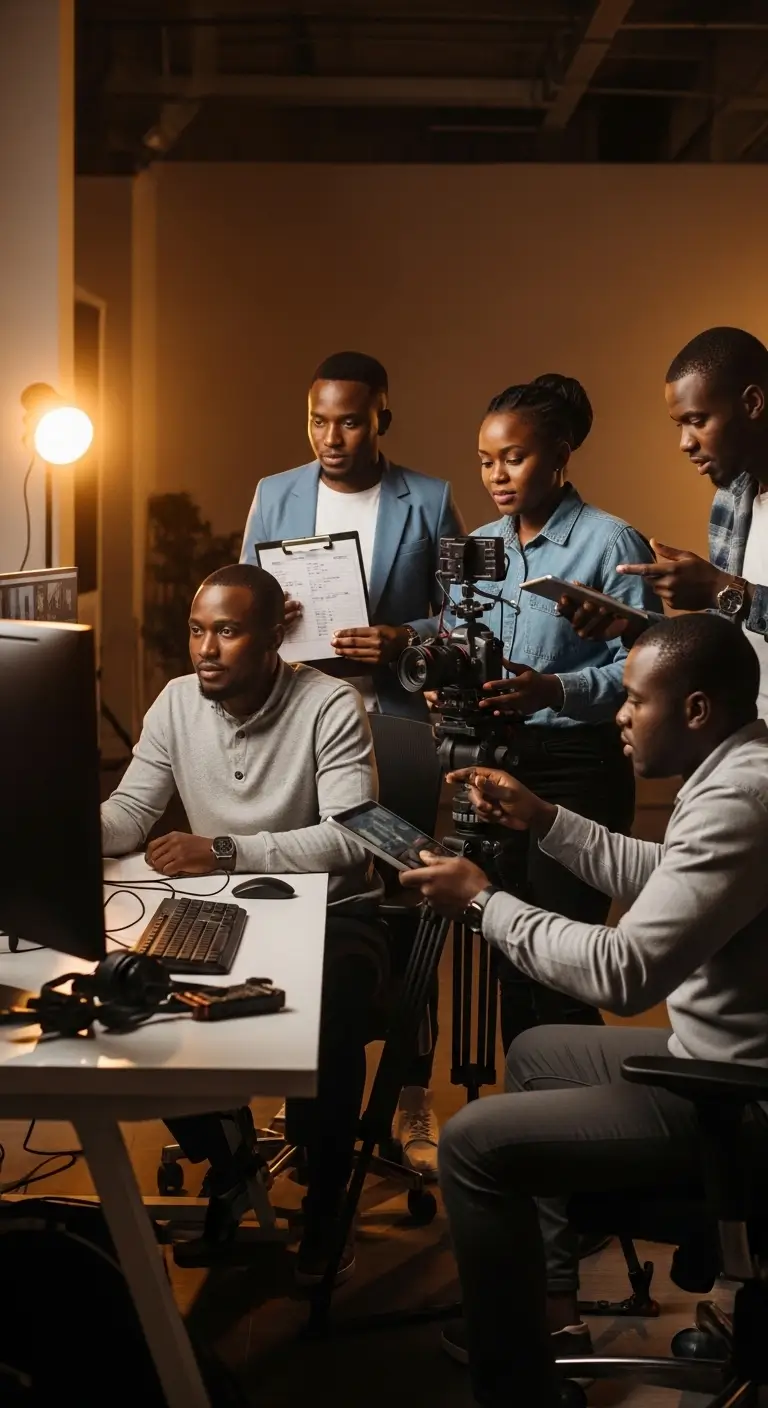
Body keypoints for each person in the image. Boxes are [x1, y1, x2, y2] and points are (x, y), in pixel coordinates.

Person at [400, 613, 768, 1408]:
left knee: (469, 1142)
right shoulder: (741, 767)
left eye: (635, 700)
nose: (620, 716)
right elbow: (669, 873)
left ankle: (515, 1388)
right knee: (540, 1052)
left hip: (743, 1096)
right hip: (717, 1059)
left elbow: (623, 972)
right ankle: (552, 1317)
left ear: (696, 709)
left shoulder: (743, 798)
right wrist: (545, 819)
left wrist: (485, 904)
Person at [101, 563, 387, 1283]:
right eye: (197, 630)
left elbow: (353, 840)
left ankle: (326, 1202)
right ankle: (230, 1161)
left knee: (326, 1011)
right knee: (130, 993)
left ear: (272, 638)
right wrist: (50, 823)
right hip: (224, 910)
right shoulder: (176, 703)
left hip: (335, 912)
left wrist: (224, 850)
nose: (206, 649)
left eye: (227, 632)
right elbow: (129, 813)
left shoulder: (330, 704)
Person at [241, 350, 463, 1175]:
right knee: (300, 902)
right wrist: (269, 613)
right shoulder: (275, 493)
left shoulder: (428, 499)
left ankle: (411, 1098)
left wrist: (405, 638)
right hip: (295, 725)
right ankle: (308, 1087)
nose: (330, 437)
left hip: (394, 731)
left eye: (349, 421)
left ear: (381, 420)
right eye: (317, 420)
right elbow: (239, 598)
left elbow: (466, 619)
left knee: (408, 906)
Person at [428, 373, 660, 1053]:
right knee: (507, 957)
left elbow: (647, 671)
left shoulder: (611, 543)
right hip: (494, 762)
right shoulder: (479, 544)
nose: (496, 476)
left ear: (559, 455)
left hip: (578, 769)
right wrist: (446, 682)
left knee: (560, 966)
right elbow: (455, 637)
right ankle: (527, 1106)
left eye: (514, 458)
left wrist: (554, 690)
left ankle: (578, 1103)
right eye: (485, 461)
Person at [562, 327, 768, 720]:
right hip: (748, 735)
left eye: (698, 420)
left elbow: (732, 598)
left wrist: (721, 588)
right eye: (680, 425)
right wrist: (633, 626)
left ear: (752, 403)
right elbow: (728, 631)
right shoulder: (730, 501)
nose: (685, 443)